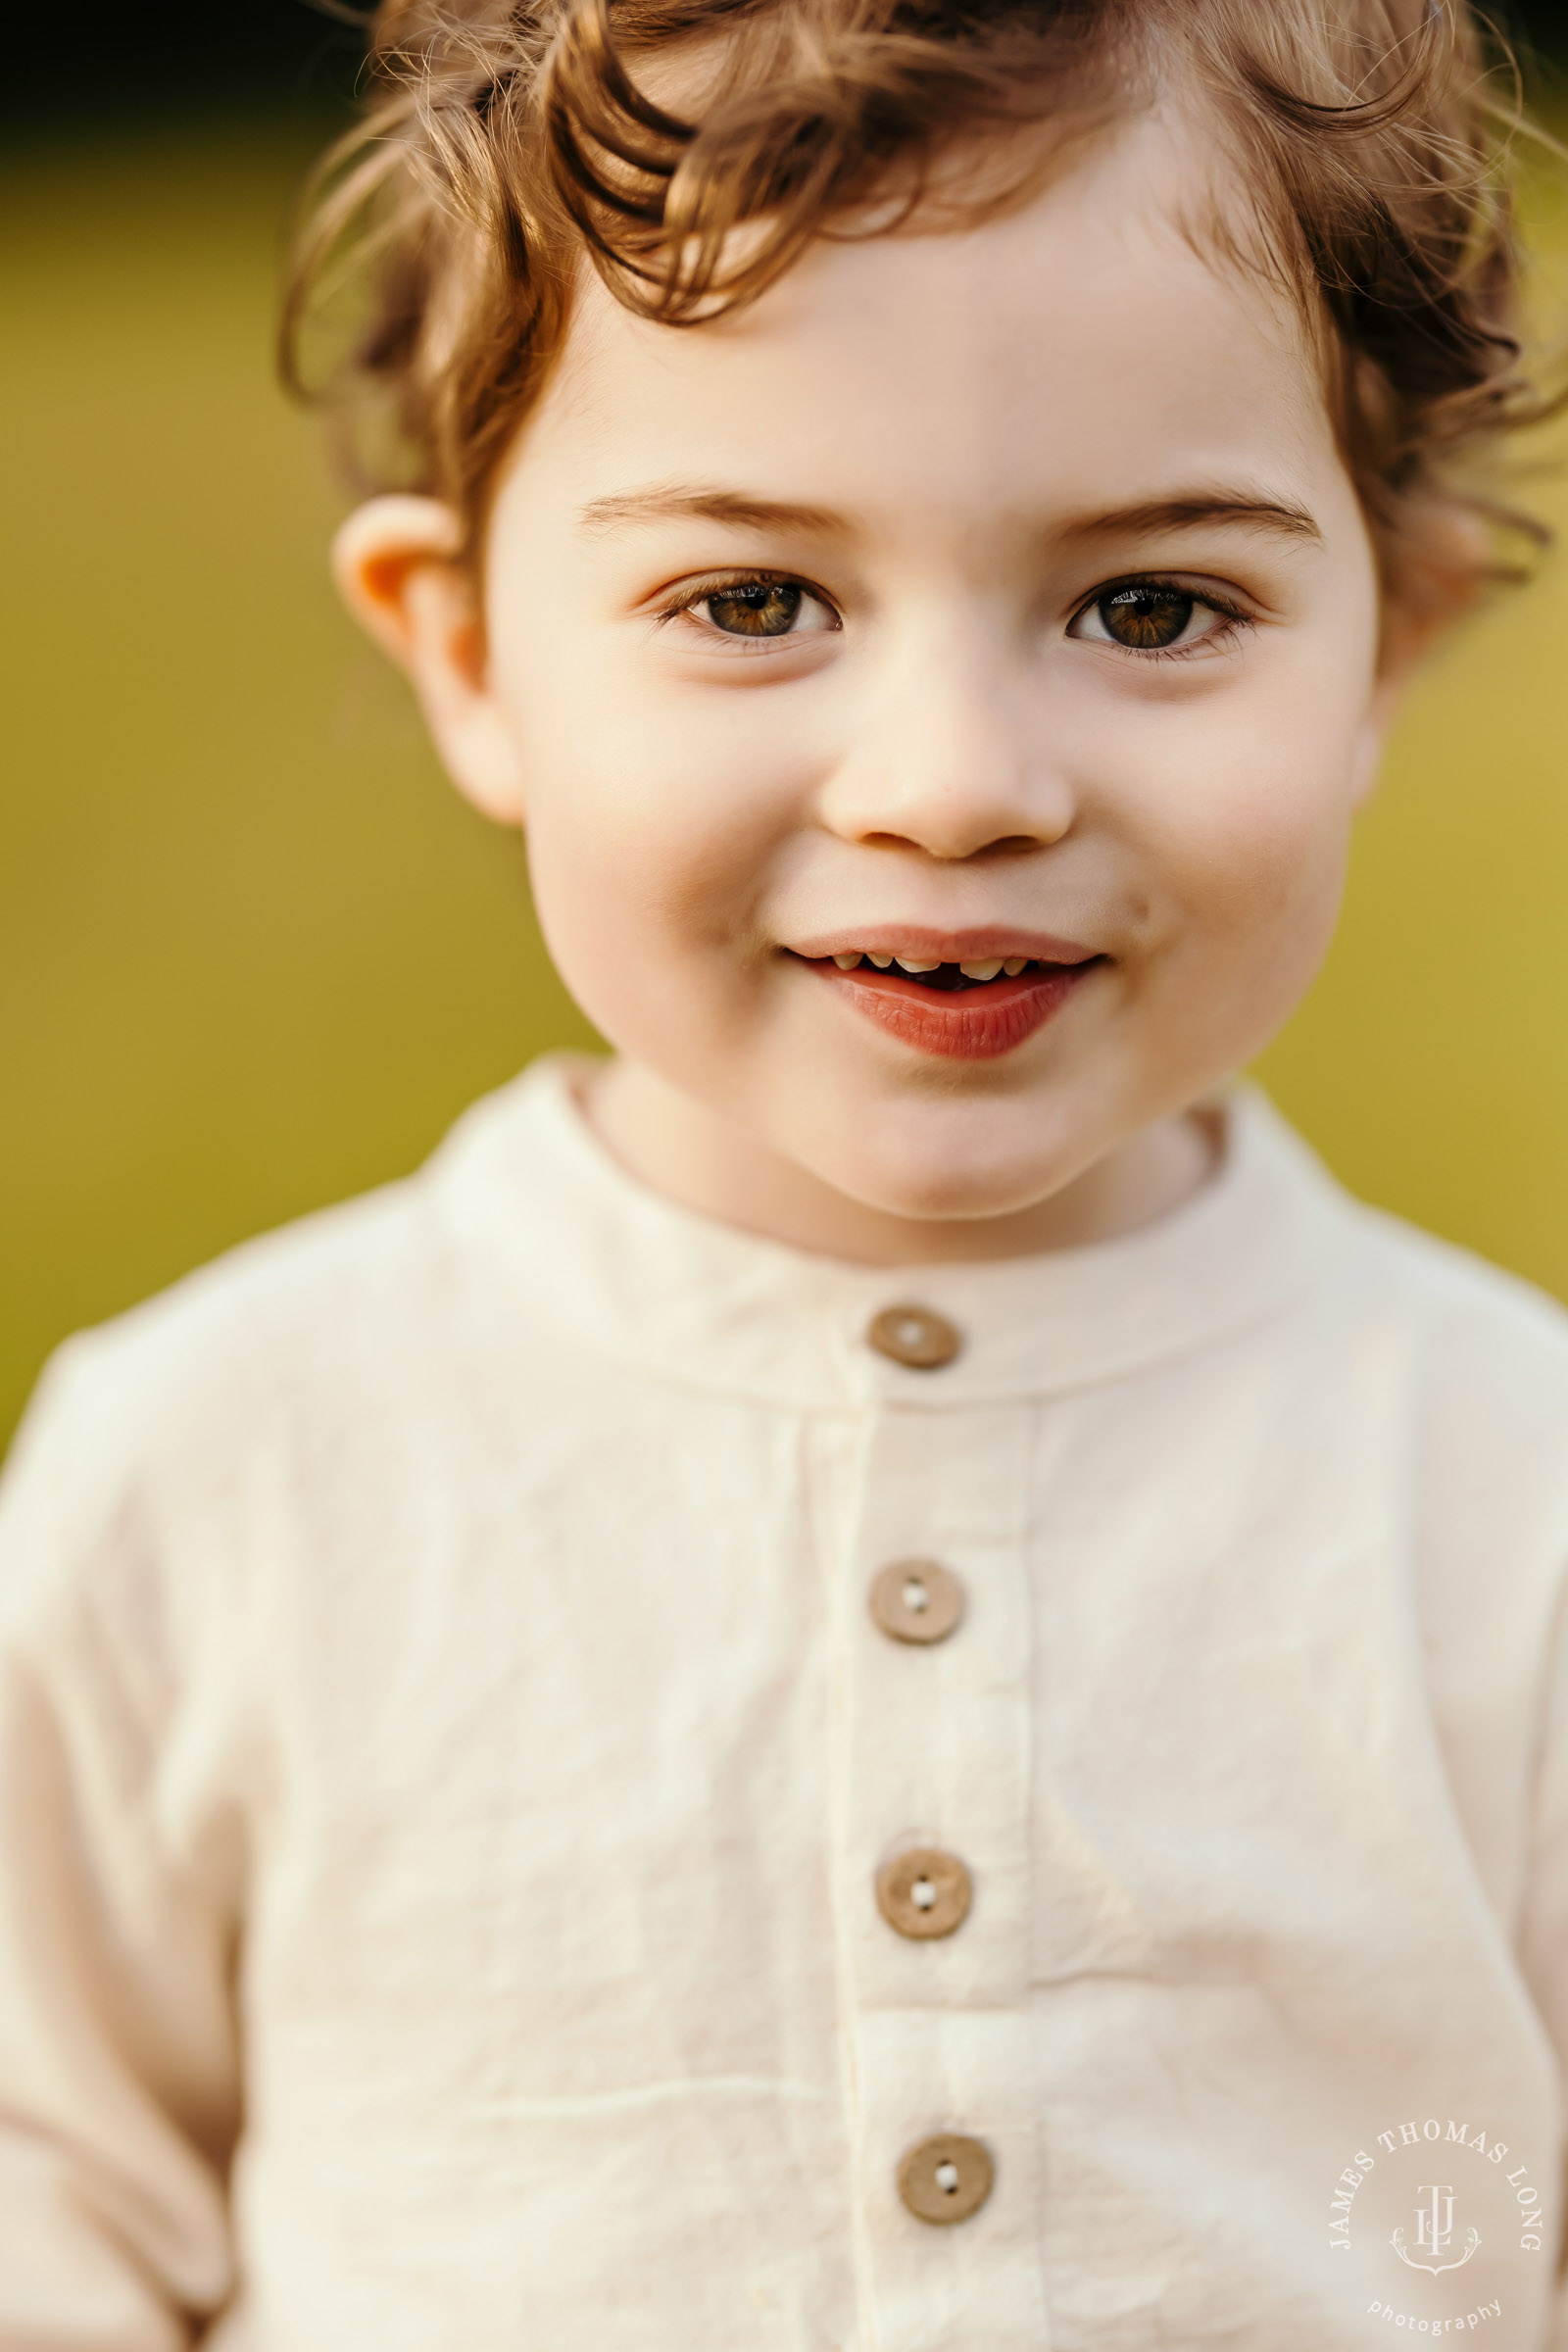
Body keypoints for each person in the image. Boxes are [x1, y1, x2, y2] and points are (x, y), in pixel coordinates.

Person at [3, 0, 1567, 2342]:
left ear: (1381, 645)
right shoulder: (217, 1469)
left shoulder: (1504, 1501)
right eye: (752, 602)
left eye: (1152, 607)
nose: (950, 784)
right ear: (466, 655)